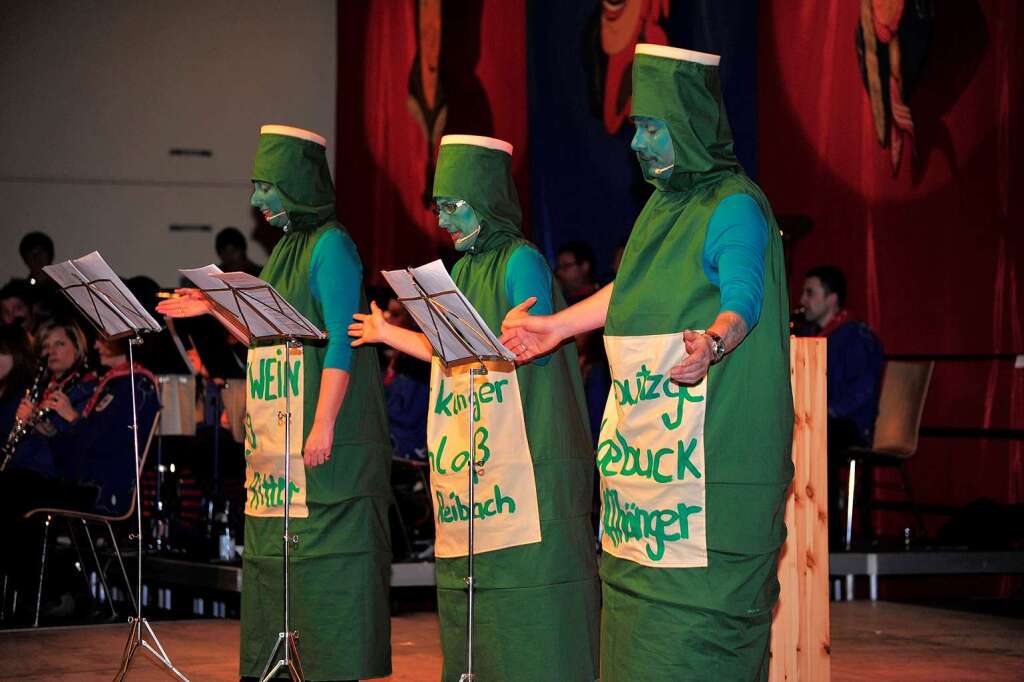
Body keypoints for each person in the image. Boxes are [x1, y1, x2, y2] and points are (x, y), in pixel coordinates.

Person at [502, 44, 793, 680]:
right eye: (635, 126)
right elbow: (629, 290)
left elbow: (745, 294)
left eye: (650, 127)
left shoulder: (735, 204)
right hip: (648, 482)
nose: (637, 143)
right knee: (636, 633)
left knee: (695, 638)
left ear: (689, 125)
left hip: (707, 476)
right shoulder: (660, 209)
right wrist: (554, 327)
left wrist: (714, 342)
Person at [350, 135, 600, 681]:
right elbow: (452, 355)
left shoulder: (523, 260)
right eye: (438, 207)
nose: (442, 220)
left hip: (526, 463)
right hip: (475, 468)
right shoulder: (458, 273)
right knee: (475, 595)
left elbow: (531, 347)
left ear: (485, 197)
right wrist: (386, 331)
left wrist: (514, 337)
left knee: (529, 594)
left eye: (452, 205)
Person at [158, 125, 392, 681]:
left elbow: (343, 336)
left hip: (321, 451)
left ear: (296, 184)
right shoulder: (287, 249)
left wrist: (323, 423)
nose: (256, 200)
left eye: (267, 186)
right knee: (277, 570)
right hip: (277, 458)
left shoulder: (331, 245)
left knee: (324, 577)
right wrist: (213, 308)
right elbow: (265, 336)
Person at [796, 265, 883, 544]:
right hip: (820, 419)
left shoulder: (855, 336)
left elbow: (863, 390)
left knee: (821, 439)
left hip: (848, 425)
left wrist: (827, 411)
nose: (802, 300)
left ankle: (827, 533)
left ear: (831, 299)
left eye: (810, 293)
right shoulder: (808, 334)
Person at [52, 336, 160, 515]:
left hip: (105, 490)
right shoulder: (112, 382)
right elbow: (78, 447)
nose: (95, 345)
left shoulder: (137, 383)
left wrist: (72, 417)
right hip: (85, 483)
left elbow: (109, 444)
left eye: (102, 338)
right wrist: (51, 434)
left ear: (122, 339)